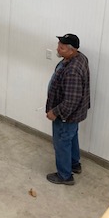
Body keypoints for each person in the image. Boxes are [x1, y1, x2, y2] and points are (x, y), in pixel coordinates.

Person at [45, 33, 91, 185]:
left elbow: (71, 101)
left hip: (66, 115)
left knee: (62, 142)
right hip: (74, 115)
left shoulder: (72, 71)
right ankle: (74, 164)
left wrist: (54, 112)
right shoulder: (80, 57)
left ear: (72, 50)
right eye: (58, 45)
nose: (57, 49)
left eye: (62, 48)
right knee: (71, 137)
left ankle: (64, 176)